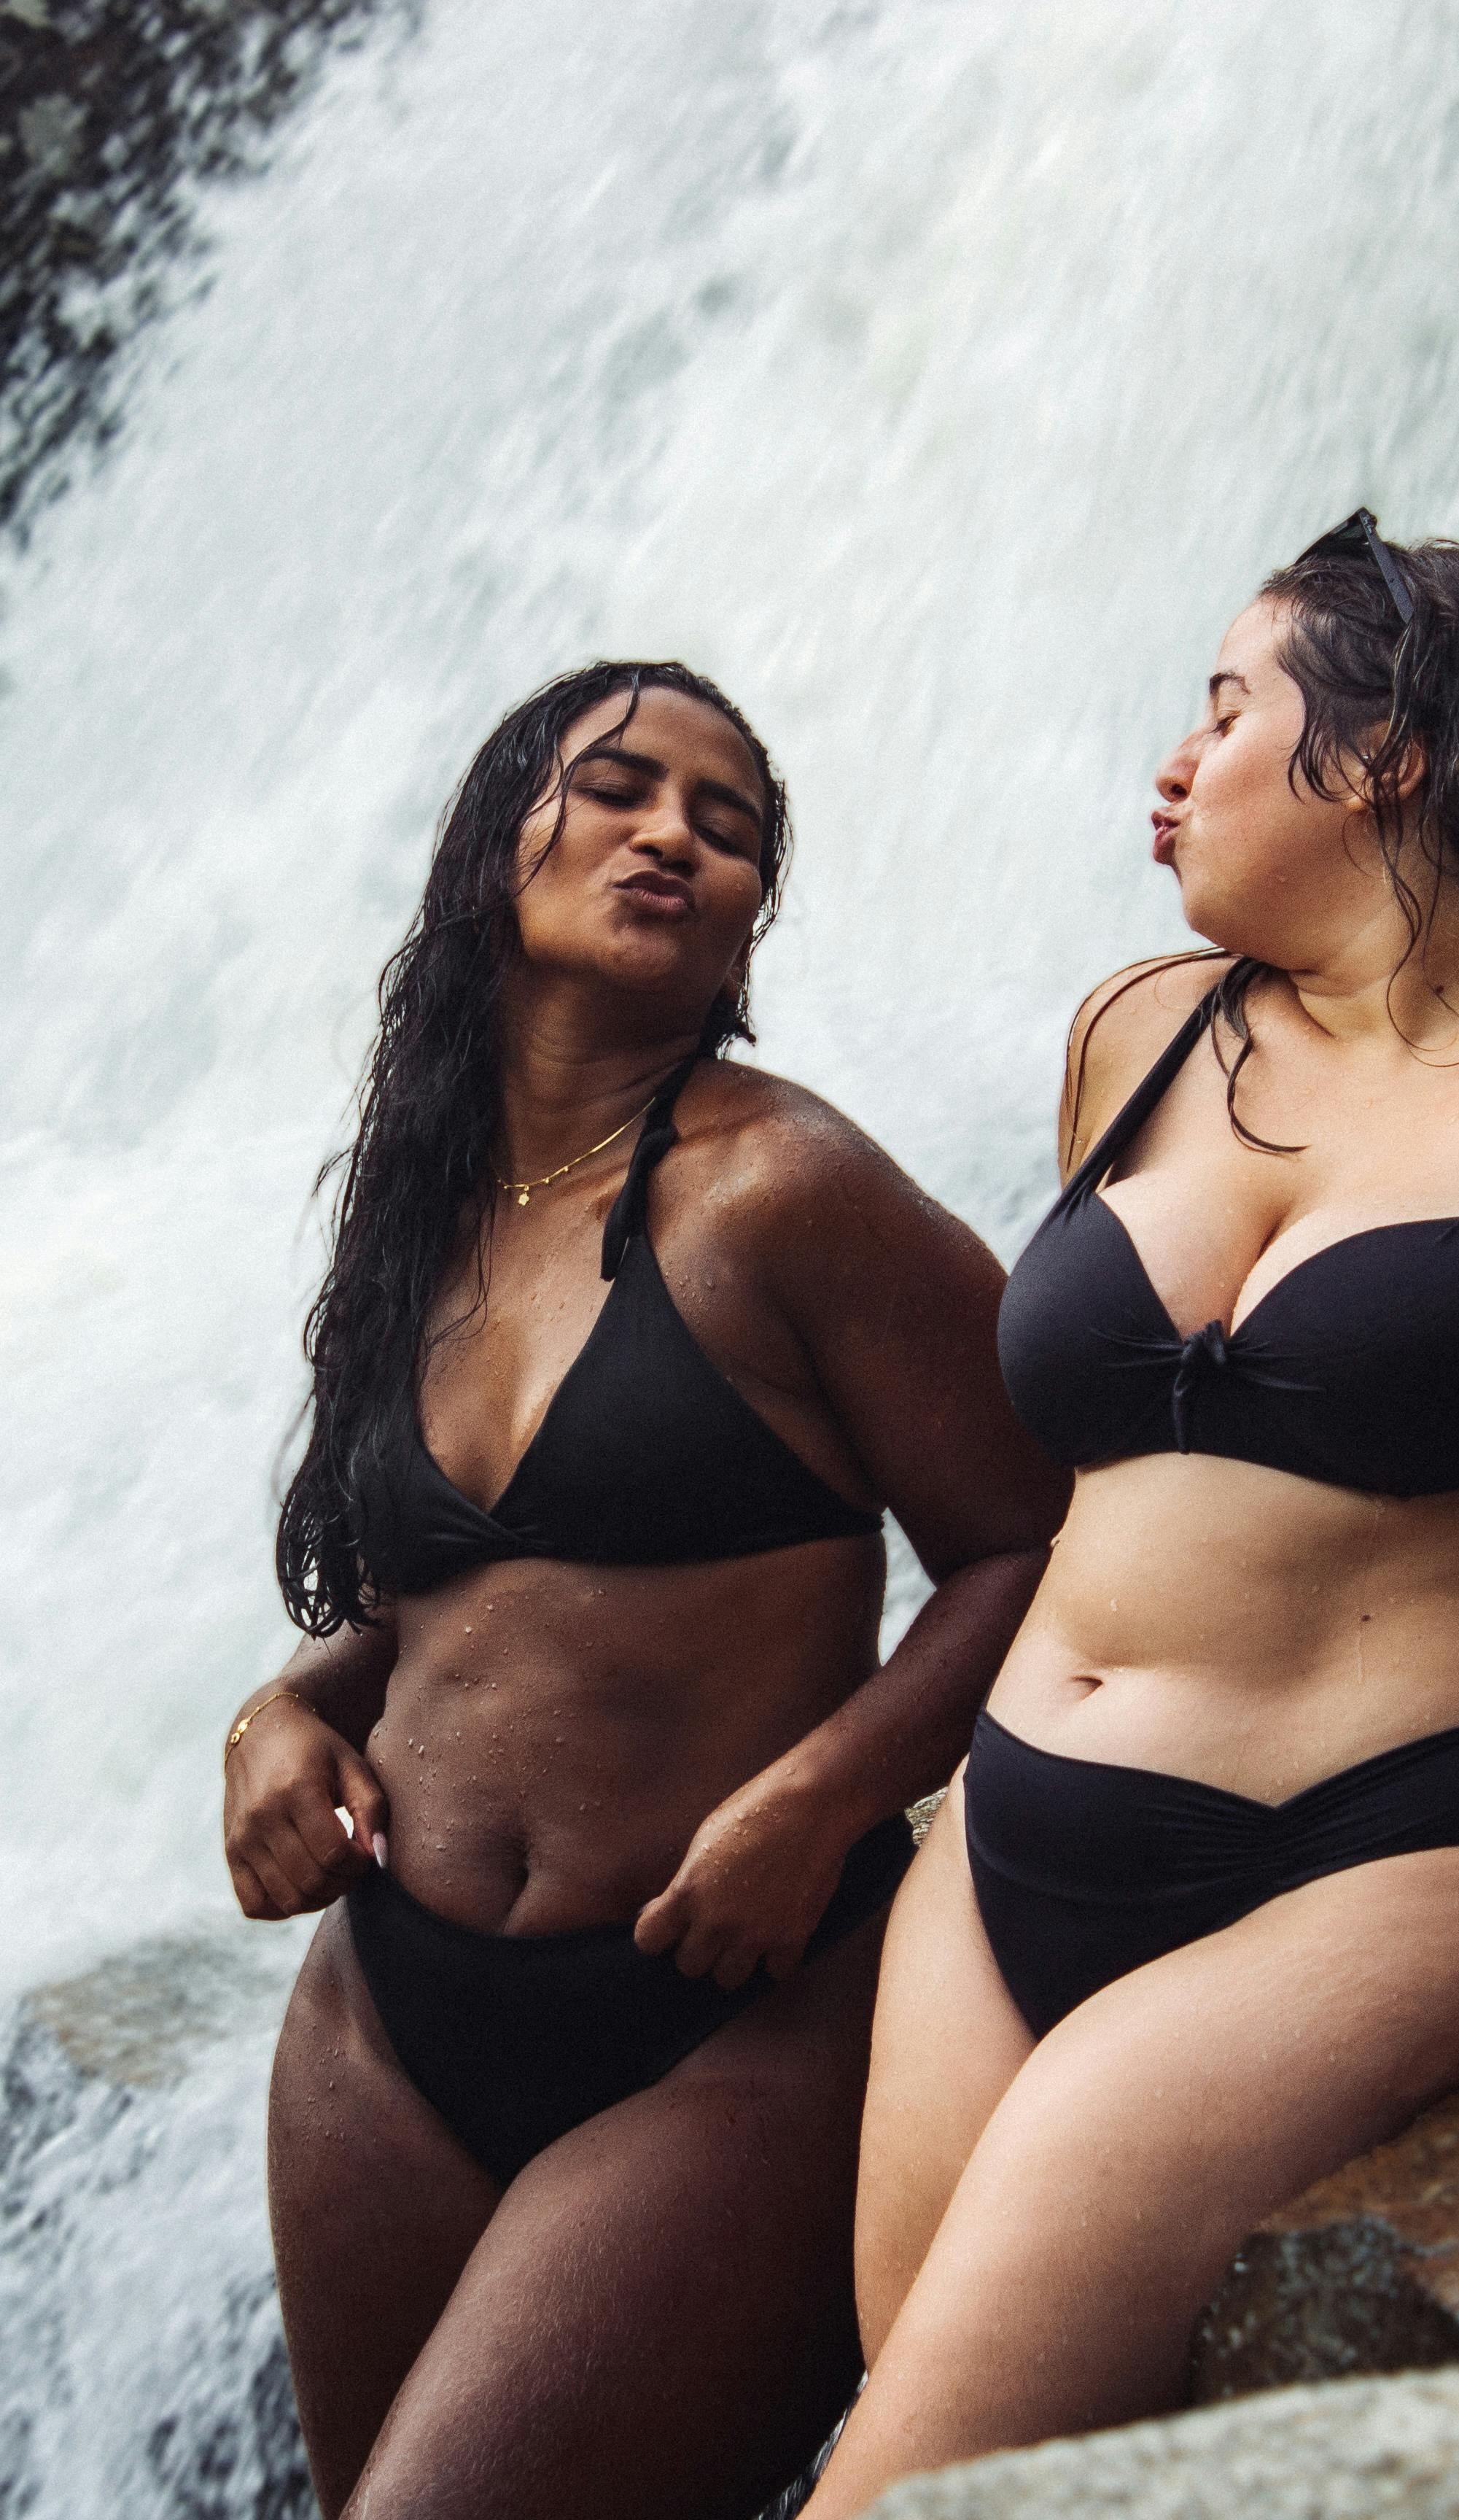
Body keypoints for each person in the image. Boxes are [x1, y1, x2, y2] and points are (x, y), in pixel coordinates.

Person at [801, 514, 1459, 2513]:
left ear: (1385, 753)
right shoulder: (1137, 1028)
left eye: (1223, 710)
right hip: (1006, 1845)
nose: (1170, 768)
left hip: (1372, 1860)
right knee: (935, 2430)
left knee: (902, 2490)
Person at [221, 659, 1066, 2520]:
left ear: (752, 915)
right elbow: (433, 1599)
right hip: (387, 2026)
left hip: (730, 2020)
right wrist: (280, 1713)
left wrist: (827, 1796)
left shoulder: (790, 1189)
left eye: (730, 823)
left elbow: (1043, 1538)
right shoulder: (422, 1210)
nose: (673, 832)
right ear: (496, 838)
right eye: (617, 788)